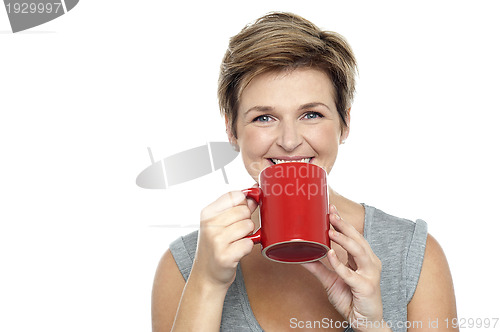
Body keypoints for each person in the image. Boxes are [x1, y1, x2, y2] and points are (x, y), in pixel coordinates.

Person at [151, 12, 458, 332]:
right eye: (263, 118)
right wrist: (207, 283)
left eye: (311, 114)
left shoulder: (415, 256)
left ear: (345, 123)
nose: (289, 141)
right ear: (232, 130)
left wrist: (373, 326)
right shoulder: (183, 267)